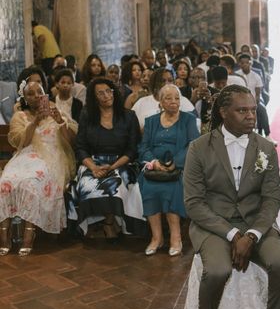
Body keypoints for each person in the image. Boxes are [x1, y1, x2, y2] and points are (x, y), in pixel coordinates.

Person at [183, 85, 280, 309]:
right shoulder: (199, 148)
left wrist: (253, 234)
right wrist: (233, 235)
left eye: (253, 109)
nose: (250, 116)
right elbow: (194, 203)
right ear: (223, 113)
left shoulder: (266, 148)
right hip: (214, 225)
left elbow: (272, 199)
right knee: (218, 269)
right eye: (242, 110)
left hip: (256, 222)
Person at [0, 82, 76, 256]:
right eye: (31, 94)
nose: (35, 96)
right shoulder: (19, 116)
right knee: (5, 182)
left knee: (30, 183)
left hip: (51, 158)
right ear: (24, 98)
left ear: (45, 94)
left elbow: (70, 141)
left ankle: (29, 232)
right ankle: (4, 233)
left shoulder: (57, 112)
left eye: (39, 92)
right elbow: (22, 143)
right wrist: (34, 122)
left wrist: (60, 122)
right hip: (25, 157)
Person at [68, 79, 144, 239]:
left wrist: (112, 167)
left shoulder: (129, 116)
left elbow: (132, 150)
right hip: (93, 162)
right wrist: (93, 168)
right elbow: (80, 148)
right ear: (94, 97)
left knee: (114, 184)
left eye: (109, 90)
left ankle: (109, 223)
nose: (107, 95)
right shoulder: (87, 115)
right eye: (101, 93)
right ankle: (96, 223)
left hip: (122, 162)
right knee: (86, 185)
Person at [139, 85, 199, 256]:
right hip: (154, 169)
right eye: (168, 98)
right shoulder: (151, 121)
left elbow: (193, 145)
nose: (174, 102)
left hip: (178, 169)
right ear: (160, 102)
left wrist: (175, 163)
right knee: (148, 186)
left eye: (177, 98)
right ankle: (157, 238)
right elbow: (143, 147)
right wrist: (154, 162)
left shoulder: (188, 119)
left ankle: (176, 237)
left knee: (172, 187)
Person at [131, 68, 196, 130]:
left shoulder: (183, 101)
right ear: (154, 83)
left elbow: (194, 125)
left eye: (170, 80)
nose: (167, 84)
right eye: (163, 81)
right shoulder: (142, 102)